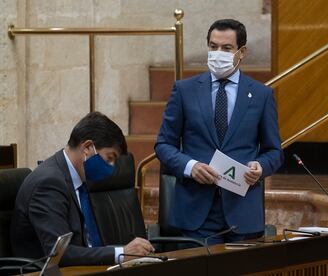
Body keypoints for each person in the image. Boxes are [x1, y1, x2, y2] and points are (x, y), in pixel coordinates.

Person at [155, 19, 284, 244]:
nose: (218, 53)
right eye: (213, 47)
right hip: (195, 214)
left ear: (241, 52)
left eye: (226, 48)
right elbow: (164, 145)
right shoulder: (184, 90)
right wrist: (190, 166)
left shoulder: (262, 95)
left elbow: (274, 152)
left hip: (242, 214)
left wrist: (260, 166)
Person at [11, 112, 154, 266]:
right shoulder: (48, 183)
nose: (112, 167)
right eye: (110, 158)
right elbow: (60, 255)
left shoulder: (80, 179)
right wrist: (121, 253)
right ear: (87, 148)